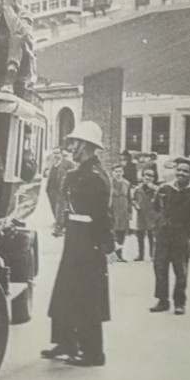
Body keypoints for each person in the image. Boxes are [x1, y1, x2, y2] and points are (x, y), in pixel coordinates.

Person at [42, 121, 114, 367]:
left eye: (74, 142)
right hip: (75, 239)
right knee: (65, 292)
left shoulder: (96, 176)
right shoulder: (76, 174)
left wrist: (106, 245)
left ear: (85, 145)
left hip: (89, 242)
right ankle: (66, 342)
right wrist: (62, 222)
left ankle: (93, 353)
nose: (71, 147)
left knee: (87, 297)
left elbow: (103, 215)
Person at [150, 157, 190, 315]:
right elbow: (155, 207)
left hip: (182, 236)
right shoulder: (164, 189)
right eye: (179, 170)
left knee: (180, 270)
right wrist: (159, 225)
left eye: (185, 171)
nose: (181, 173)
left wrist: (188, 233)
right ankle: (162, 300)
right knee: (160, 267)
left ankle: (180, 303)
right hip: (163, 234)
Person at [45, 148, 75, 237]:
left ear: (61, 154)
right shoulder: (52, 162)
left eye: (57, 153)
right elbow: (47, 171)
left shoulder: (66, 163)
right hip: (51, 189)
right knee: (54, 207)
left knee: (60, 209)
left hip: (60, 189)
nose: (56, 155)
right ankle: (59, 223)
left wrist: (68, 181)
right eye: (54, 153)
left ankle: (59, 228)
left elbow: (74, 170)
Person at [133, 168, 159, 261]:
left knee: (152, 236)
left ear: (153, 178)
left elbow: (159, 200)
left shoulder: (156, 189)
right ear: (143, 177)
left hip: (152, 215)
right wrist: (136, 205)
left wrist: (152, 188)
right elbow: (134, 199)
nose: (148, 178)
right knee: (140, 236)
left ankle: (152, 255)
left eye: (150, 177)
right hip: (141, 215)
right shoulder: (138, 189)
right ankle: (141, 255)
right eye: (146, 176)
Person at [110, 164, 132, 262]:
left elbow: (129, 198)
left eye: (120, 171)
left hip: (123, 211)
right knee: (112, 232)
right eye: (116, 171)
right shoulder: (109, 183)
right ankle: (112, 254)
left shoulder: (127, 183)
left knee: (122, 233)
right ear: (112, 173)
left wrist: (129, 212)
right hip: (113, 210)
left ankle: (120, 255)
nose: (118, 174)